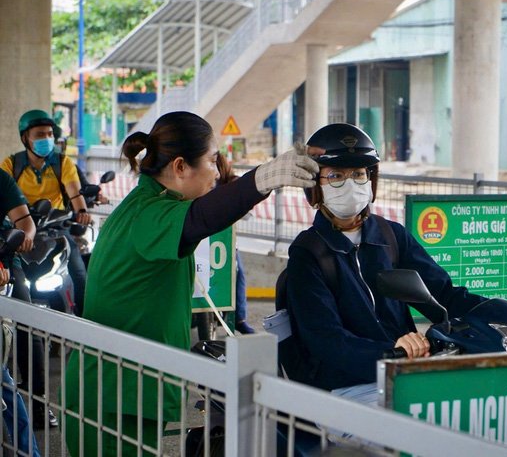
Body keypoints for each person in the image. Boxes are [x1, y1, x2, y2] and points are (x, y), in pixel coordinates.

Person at [62, 111, 320, 457]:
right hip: (115, 393)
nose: (216, 171)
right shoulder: (149, 214)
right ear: (180, 167)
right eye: (213, 161)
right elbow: (200, 218)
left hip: (125, 388)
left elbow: (202, 213)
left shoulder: (149, 204)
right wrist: (262, 180)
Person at [283, 123, 507, 402]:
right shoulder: (308, 252)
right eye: (336, 176)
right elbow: (327, 340)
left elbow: (444, 295)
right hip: (347, 388)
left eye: (359, 174)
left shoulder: (391, 237)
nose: (351, 184)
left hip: (406, 372)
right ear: (314, 187)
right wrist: (390, 349)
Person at [1, 109, 91, 316]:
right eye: (40, 134)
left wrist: (82, 211)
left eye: (50, 134)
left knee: (79, 274)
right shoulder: (11, 165)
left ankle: (86, 327)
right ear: (25, 138)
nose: (47, 139)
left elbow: (75, 193)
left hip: (55, 227)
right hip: (21, 231)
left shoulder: (62, 163)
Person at [0, 169, 56, 429]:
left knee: (27, 323)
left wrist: (26, 236)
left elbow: (24, 220)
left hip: (5, 261)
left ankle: (39, 403)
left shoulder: (2, 179)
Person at [214, 154, 255, 334]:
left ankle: (240, 318)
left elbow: (244, 206)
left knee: (237, 272)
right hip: (199, 242)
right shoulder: (193, 184)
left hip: (225, 242)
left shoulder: (229, 185)